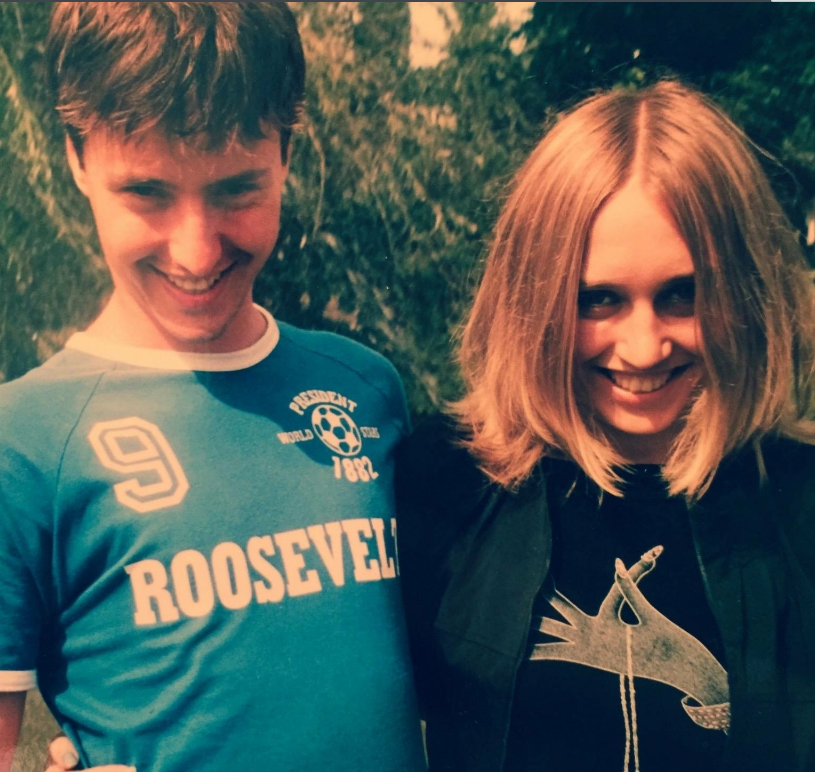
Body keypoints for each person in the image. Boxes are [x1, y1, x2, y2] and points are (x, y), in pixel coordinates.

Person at [0, 4, 426, 772]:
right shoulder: (20, 444)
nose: (196, 252)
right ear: (76, 157)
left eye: (236, 190)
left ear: (286, 152)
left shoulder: (366, 389)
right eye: (146, 193)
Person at [395, 80, 815, 772]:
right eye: (598, 299)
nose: (644, 348)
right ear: (531, 298)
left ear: (743, 292)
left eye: (683, 294)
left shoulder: (798, 501)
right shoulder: (443, 486)